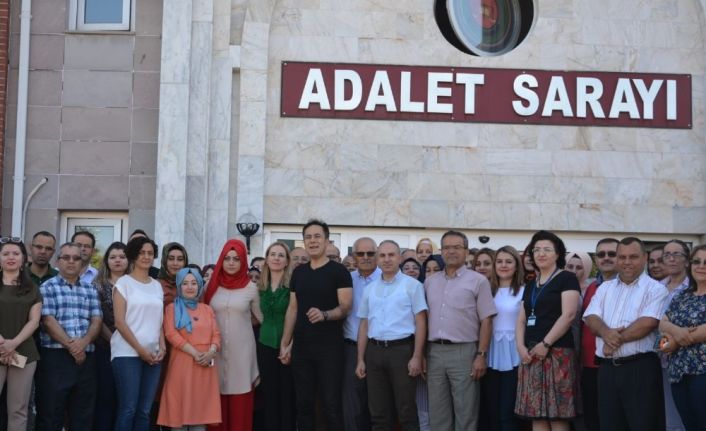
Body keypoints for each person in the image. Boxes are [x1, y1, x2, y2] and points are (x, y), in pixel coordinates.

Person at [584, 237, 668, 431]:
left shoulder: (656, 289)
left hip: (640, 369)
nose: (627, 262)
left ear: (645, 258)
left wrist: (612, 340)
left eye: (633, 257)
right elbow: (591, 317)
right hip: (607, 371)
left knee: (643, 425)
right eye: (622, 257)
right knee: (609, 425)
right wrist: (606, 334)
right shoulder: (604, 288)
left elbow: (648, 323)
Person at [280, 219, 352, 431]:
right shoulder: (299, 273)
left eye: (317, 236)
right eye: (308, 237)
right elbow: (293, 310)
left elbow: (346, 306)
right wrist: (285, 344)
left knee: (331, 405)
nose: (312, 241)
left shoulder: (339, 272)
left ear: (327, 240)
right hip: (302, 348)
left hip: (330, 349)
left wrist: (325, 314)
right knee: (304, 405)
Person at [425, 230, 496, 431]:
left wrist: (481, 354)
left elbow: (487, 320)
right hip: (434, 353)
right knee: (438, 414)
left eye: (457, 247)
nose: (451, 251)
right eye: (446, 247)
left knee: (466, 413)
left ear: (465, 251)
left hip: (464, 352)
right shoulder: (430, 281)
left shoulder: (478, 281)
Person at [355, 240, 427, 431]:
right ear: (377, 259)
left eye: (391, 255)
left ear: (399, 258)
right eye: (382, 255)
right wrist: (360, 359)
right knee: (378, 413)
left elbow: (421, 322)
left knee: (406, 411)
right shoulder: (369, 289)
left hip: (402, 351)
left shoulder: (413, 286)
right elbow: (364, 325)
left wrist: (417, 356)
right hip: (374, 352)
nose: (387, 259)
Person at [514, 230, 580, 431]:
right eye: (537, 250)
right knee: (537, 414)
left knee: (557, 414)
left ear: (558, 254)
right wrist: (520, 347)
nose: (541, 254)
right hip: (531, 355)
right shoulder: (531, 284)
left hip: (557, 353)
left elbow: (568, 315)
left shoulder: (567, 278)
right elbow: (521, 320)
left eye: (547, 249)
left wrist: (546, 344)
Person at [36, 242, 102, 430]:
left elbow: (96, 320)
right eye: (66, 257)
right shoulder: (47, 287)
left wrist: (83, 343)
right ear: (58, 261)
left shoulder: (90, 289)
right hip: (56, 358)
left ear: (82, 262)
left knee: (83, 415)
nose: (71, 262)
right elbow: (48, 320)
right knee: (51, 414)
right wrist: (73, 346)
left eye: (76, 258)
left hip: (86, 360)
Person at [204, 239, 262, 431]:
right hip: (215, 351)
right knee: (215, 399)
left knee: (240, 399)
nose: (231, 262)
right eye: (227, 258)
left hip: (242, 352)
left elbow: (261, 318)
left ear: (243, 261)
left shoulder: (251, 288)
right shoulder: (211, 286)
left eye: (236, 259)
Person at [112, 236, 166, 431]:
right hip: (127, 354)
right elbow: (119, 322)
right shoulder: (123, 283)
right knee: (129, 409)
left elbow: (159, 321)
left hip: (153, 355)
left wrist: (163, 347)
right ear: (133, 255)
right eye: (142, 252)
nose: (146, 257)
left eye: (150, 253)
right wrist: (140, 350)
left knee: (144, 411)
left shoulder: (156, 285)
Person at [159, 268, 221, 430]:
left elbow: (216, 334)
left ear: (200, 286)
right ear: (179, 286)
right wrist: (195, 353)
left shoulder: (207, 309)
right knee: (178, 414)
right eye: (185, 283)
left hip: (205, 366)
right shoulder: (171, 308)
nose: (190, 287)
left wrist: (211, 352)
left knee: (200, 416)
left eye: (194, 283)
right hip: (182, 364)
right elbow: (171, 334)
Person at [659, 244, 706, 431]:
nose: (701, 266)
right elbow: (661, 332)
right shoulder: (682, 297)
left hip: (703, 373)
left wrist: (676, 336)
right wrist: (670, 336)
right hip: (678, 374)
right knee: (690, 426)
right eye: (697, 261)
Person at [0, 238, 42, 431]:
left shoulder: (32, 287)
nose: (11, 257)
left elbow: (34, 321)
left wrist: (13, 343)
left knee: (18, 409)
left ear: (24, 258)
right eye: (6, 253)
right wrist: (3, 344)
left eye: (15, 254)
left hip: (23, 352)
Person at [579, 238, 619, 431]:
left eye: (611, 254)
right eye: (601, 254)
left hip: (617, 362)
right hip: (589, 363)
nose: (606, 258)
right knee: (593, 417)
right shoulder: (591, 288)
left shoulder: (630, 287)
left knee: (615, 418)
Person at [256, 242, 296, 431]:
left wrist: (290, 345)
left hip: (287, 347)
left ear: (287, 261)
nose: (276, 258)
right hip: (264, 345)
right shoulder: (259, 287)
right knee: (269, 395)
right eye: (273, 254)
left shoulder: (292, 287)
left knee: (286, 396)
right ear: (267, 258)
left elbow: (298, 316)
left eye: (281, 255)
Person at [485, 245, 524, 431]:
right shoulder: (486, 290)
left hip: (514, 355)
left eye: (509, 261)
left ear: (517, 265)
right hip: (489, 353)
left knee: (507, 413)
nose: (503, 265)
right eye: (499, 261)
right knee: (491, 410)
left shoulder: (525, 291)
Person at [343, 238, 380, 431]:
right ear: (354, 256)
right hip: (351, 349)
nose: (365, 258)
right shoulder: (346, 280)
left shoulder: (388, 278)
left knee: (379, 407)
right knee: (353, 407)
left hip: (379, 350)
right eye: (360, 254)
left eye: (370, 253)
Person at [93, 241, 128, 431]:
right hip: (105, 348)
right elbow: (97, 318)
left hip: (131, 349)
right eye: (113, 257)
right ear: (106, 261)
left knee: (125, 401)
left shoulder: (135, 284)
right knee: (106, 398)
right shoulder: (97, 285)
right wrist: (115, 341)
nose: (117, 261)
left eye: (122, 257)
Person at [657, 239, 691, 431]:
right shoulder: (656, 288)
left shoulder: (693, 288)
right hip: (660, 359)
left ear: (687, 260)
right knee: (669, 416)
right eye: (667, 255)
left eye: (676, 254)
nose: (671, 259)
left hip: (687, 357)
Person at [158, 242, 190, 306]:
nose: (175, 263)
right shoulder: (156, 285)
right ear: (164, 261)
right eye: (171, 259)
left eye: (180, 259)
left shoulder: (193, 285)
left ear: (185, 262)